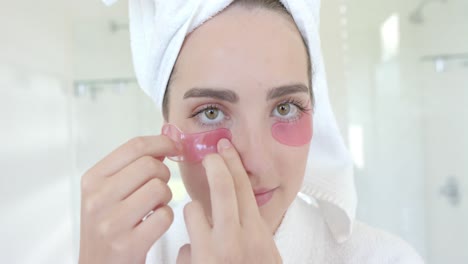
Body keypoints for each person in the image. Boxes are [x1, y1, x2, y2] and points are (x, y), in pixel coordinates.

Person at [78, 0, 425, 263]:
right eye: (211, 113)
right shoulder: (131, 254)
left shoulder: (387, 258)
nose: (255, 162)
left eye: (285, 108)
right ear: (169, 131)